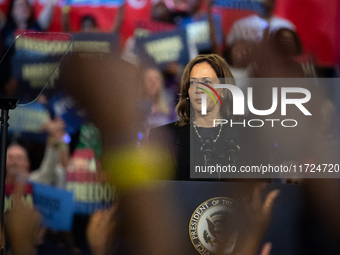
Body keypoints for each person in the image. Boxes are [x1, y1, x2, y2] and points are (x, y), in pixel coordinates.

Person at [148, 54, 268, 180]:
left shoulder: (250, 134)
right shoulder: (163, 137)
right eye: (193, 82)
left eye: (207, 82)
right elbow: (154, 193)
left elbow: (261, 189)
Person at [226, 0, 295, 46]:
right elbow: (230, 45)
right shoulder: (241, 25)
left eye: (269, 1)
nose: (266, 3)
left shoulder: (286, 25)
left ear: (274, 3)